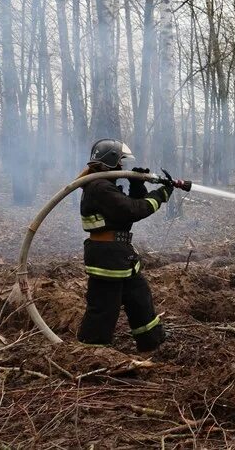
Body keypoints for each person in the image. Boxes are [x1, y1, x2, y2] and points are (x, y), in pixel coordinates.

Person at [77, 139, 173, 351]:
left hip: (119, 255)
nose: (124, 168)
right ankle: (91, 351)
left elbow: (124, 217)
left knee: (140, 298)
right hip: (107, 257)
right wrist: (160, 195)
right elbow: (132, 210)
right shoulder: (100, 187)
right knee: (104, 308)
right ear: (111, 162)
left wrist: (138, 187)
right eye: (122, 162)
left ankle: (152, 342)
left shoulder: (103, 186)